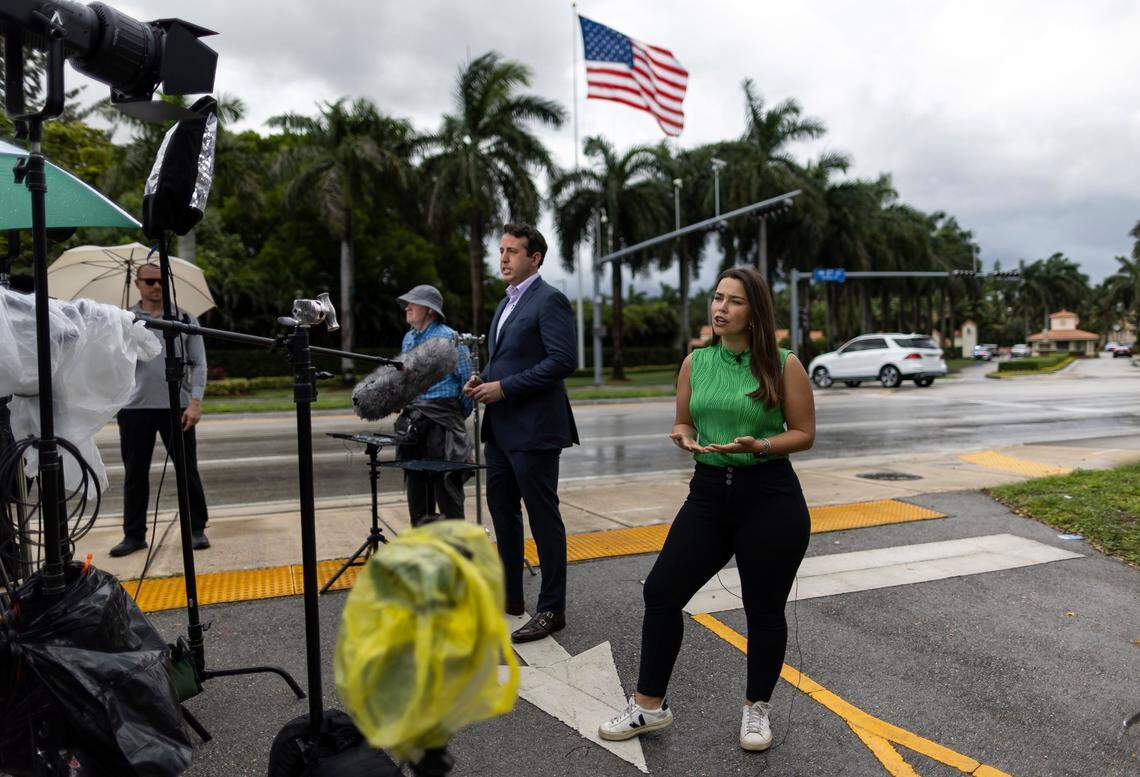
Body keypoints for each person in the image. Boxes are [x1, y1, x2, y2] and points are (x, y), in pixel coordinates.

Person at [598, 266, 816, 752]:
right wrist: (685, 438)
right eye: (717, 298)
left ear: (754, 312)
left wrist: (760, 444)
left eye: (734, 301)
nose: (720, 308)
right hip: (709, 493)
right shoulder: (695, 363)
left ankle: (756, 708)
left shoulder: (784, 364)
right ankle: (649, 707)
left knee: (763, 610)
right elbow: (682, 421)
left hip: (770, 497)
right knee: (661, 591)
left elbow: (803, 434)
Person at [463, 223, 578, 644]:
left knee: (543, 519)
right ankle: (512, 598)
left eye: (513, 251)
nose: (504, 258)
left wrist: (504, 387)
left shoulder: (550, 300)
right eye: (502, 251)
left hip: (535, 430)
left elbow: (563, 360)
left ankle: (552, 609)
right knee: (504, 515)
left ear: (536, 258)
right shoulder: (505, 304)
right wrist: (482, 379)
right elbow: (506, 359)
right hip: (501, 430)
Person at [110, 262, 211, 557]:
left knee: (186, 469)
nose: (156, 287)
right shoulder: (125, 318)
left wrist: (195, 401)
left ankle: (196, 528)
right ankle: (134, 535)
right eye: (150, 281)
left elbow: (198, 362)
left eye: (161, 281)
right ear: (137, 283)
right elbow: (114, 361)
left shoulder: (182, 318)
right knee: (135, 473)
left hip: (176, 406)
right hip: (134, 408)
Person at [393, 284, 473, 524]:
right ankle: (424, 553)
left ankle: (456, 555)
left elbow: (467, 383)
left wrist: (453, 417)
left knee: (446, 491)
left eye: (413, 303)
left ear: (429, 310)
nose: (407, 307)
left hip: (442, 423)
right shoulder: (409, 339)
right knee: (417, 494)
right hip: (414, 423)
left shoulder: (449, 338)